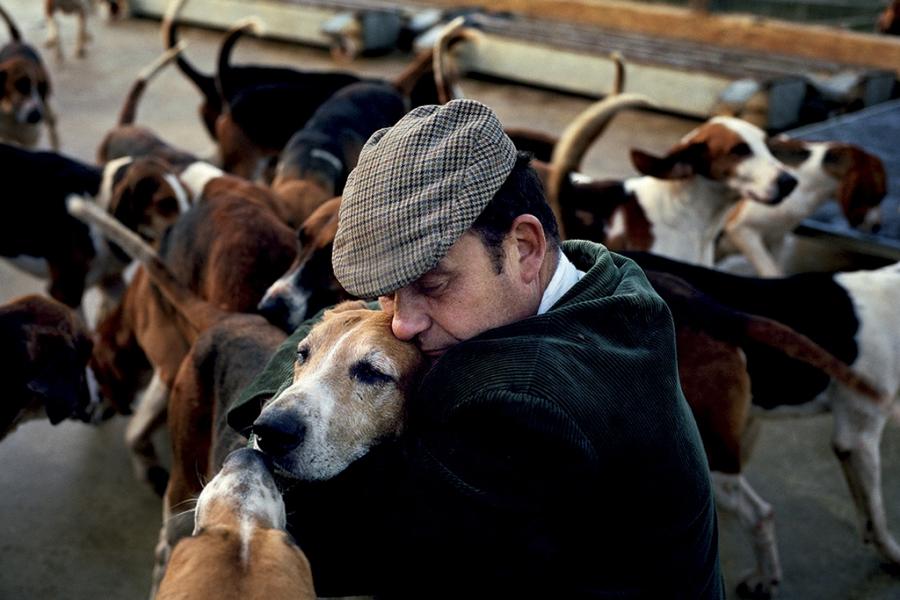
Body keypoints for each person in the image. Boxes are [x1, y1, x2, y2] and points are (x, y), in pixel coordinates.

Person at [229, 99, 723, 598]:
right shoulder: (602, 281)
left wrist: (277, 409)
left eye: (433, 284)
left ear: (525, 247)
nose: (400, 323)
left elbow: (309, 542)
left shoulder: (522, 400)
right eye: (387, 292)